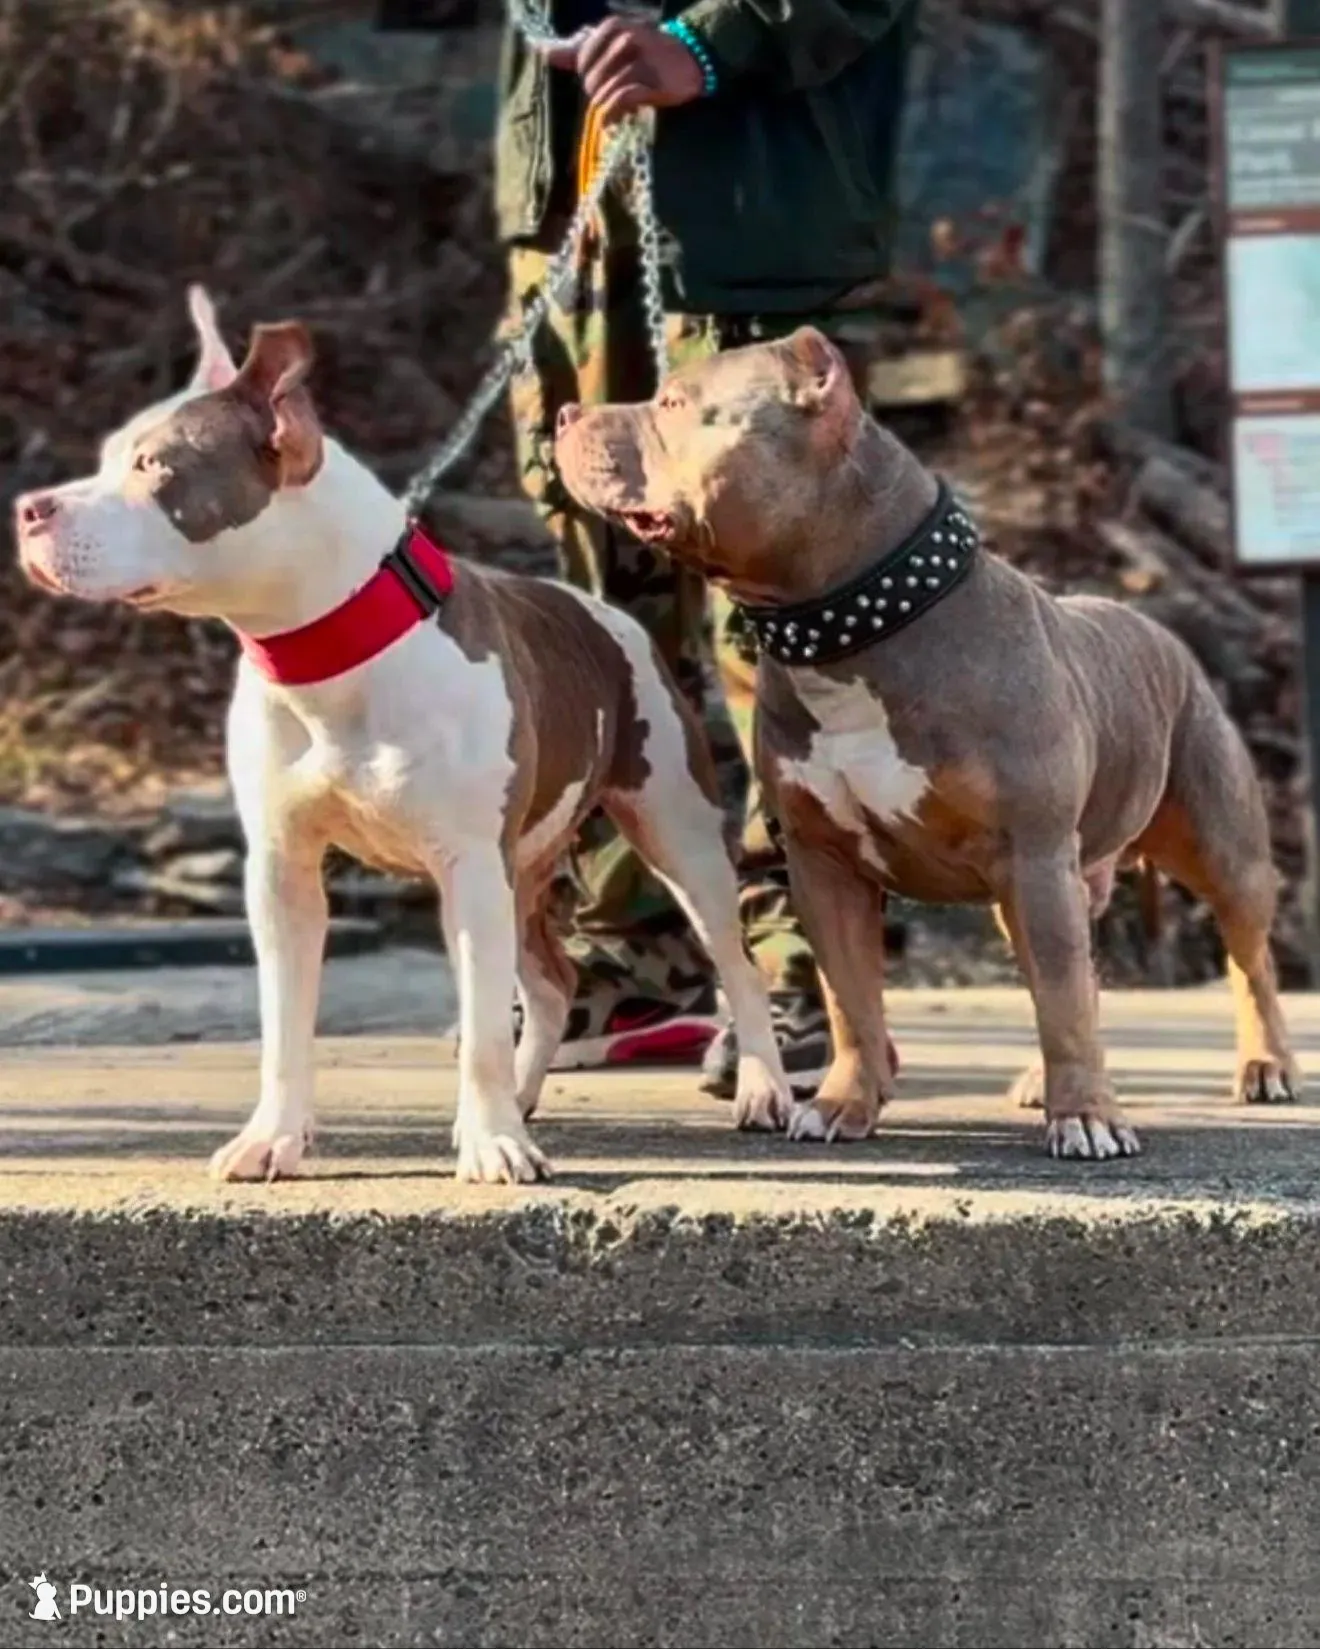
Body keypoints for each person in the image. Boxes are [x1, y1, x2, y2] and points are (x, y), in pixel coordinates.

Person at [381, 0, 919, 1092]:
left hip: (743, 215)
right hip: (577, 216)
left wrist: (713, 42)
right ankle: (635, 958)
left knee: (767, 612)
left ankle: (801, 969)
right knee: (601, 617)